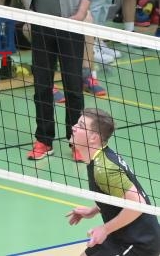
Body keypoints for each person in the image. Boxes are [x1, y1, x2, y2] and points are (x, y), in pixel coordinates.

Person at [21, 0, 95, 162]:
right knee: (42, 86)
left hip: (70, 28)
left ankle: (76, 141)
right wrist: (28, 12)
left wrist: (79, 14)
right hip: (41, 27)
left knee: (73, 87)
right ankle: (43, 139)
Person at [67, 108, 160, 255]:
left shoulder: (103, 168)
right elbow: (115, 192)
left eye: (81, 126)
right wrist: (96, 208)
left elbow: (138, 204)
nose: (74, 127)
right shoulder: (100, 159)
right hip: (121, 234)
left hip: (140, 242)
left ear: (93, 138)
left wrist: (104, 229)